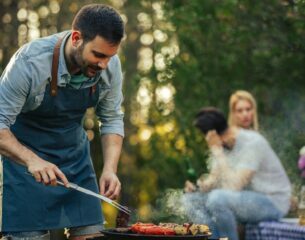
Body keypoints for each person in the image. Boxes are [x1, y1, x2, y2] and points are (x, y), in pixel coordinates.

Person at [0, 4, 125, 240]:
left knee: (92, 235)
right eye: (98, 55)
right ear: (76, 38)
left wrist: (110, 168)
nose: (104, 65)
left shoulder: (109, 65)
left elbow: (112, 119)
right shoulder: (29, 63)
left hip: (74, 159)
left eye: (110, 56)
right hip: (23, 160)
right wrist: (31, 160)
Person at [184, 107, 291, 240]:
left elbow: (235, 186)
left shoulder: (252, 143)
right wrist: (197, 187)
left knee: (217, 199)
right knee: (192, 201)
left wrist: (217, 151)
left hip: (273, 202)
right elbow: (213, 181)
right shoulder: (224, 146)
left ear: (212, 135)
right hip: (247, 200)